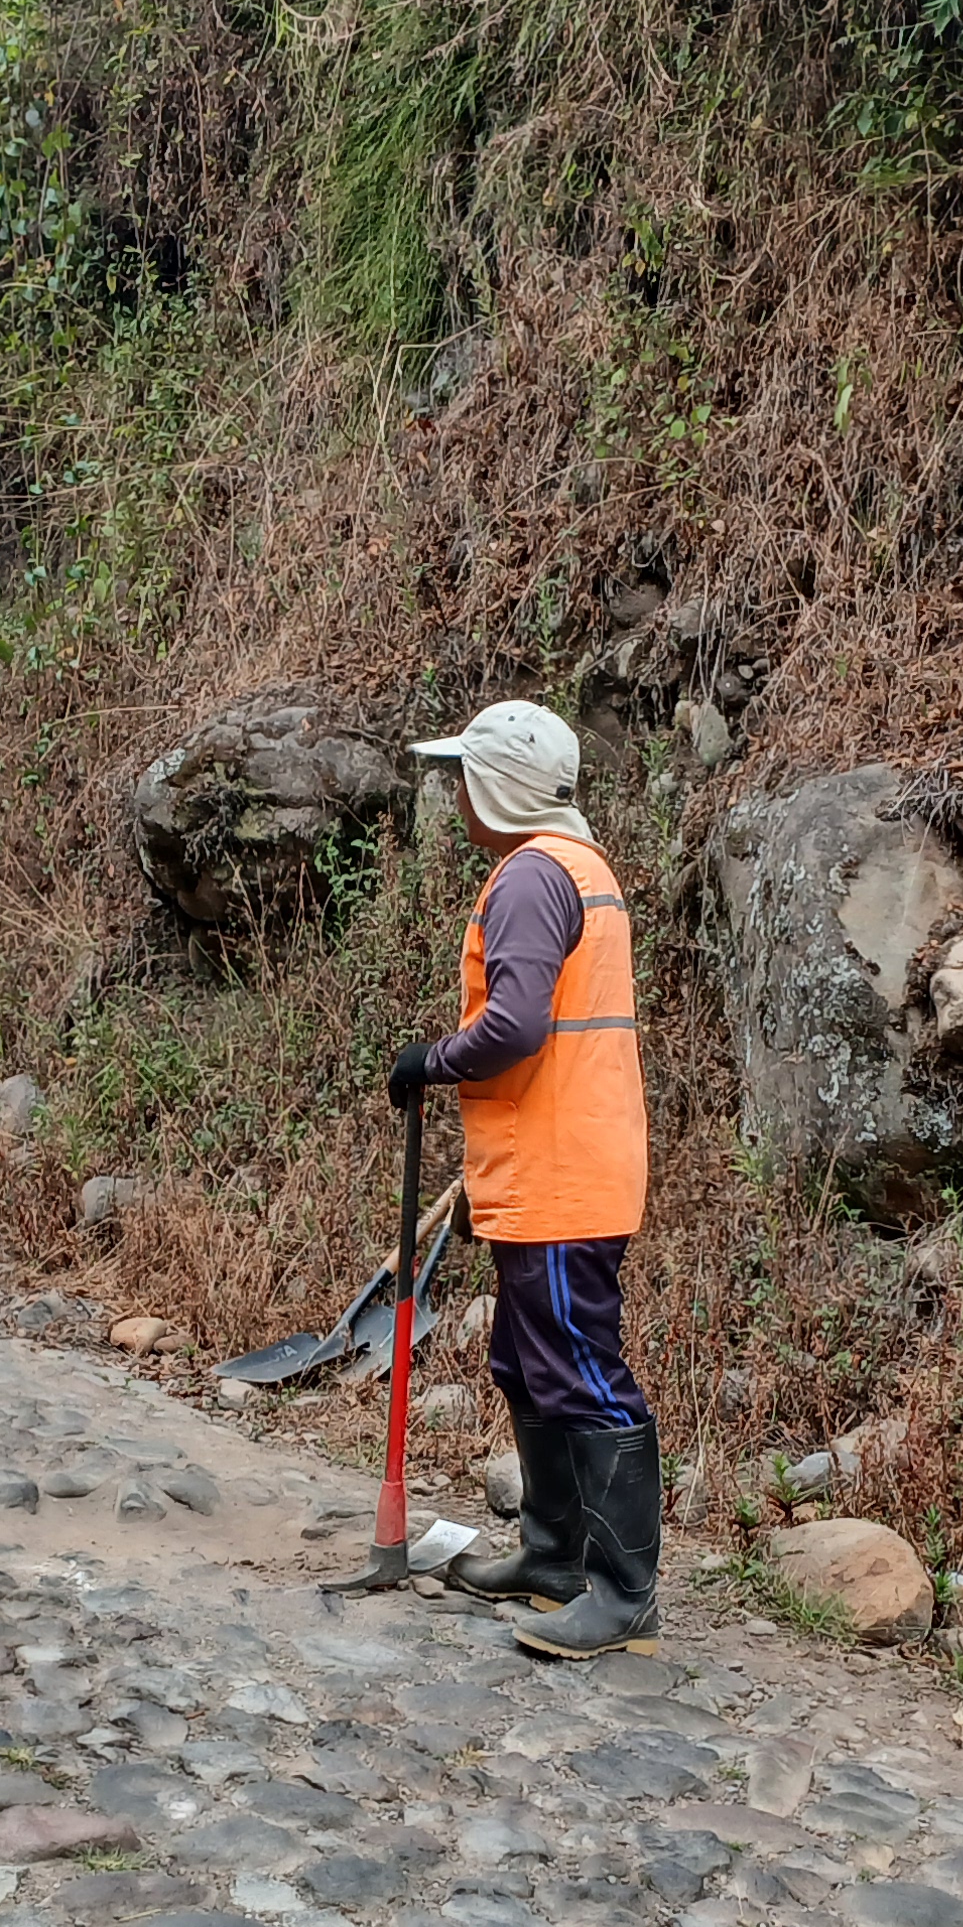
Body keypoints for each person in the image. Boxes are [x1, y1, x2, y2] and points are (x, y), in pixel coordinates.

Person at [386, 698, 660, 1657]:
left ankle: (623, 1594)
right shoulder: (575, 868)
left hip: (562, 1176)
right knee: (528, 1361)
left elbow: (514, 1027)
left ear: (495, 789)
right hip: (555, 1163)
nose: (457, 794)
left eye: (463, 777)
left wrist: (430, 1061)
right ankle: (553, 1555)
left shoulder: (533, 877)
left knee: (582, 1371)